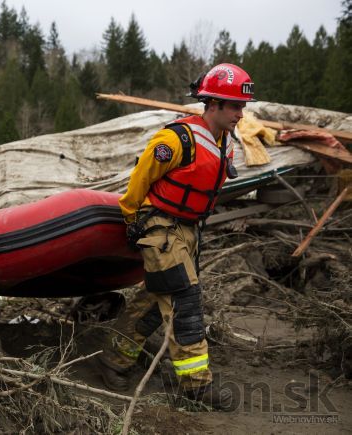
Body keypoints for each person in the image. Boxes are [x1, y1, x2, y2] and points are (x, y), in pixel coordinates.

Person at [95, 63, 255, 410]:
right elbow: (139, 181)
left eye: (243, 106)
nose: (241, 114)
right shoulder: (175, 139)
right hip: (161, 230)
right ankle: (196, 386)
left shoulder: (225, 142)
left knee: (152, 301)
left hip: (187, 231)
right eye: (235, 106)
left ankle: (113, 359)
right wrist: (132, 218)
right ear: (213, 104)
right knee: (185, 303)